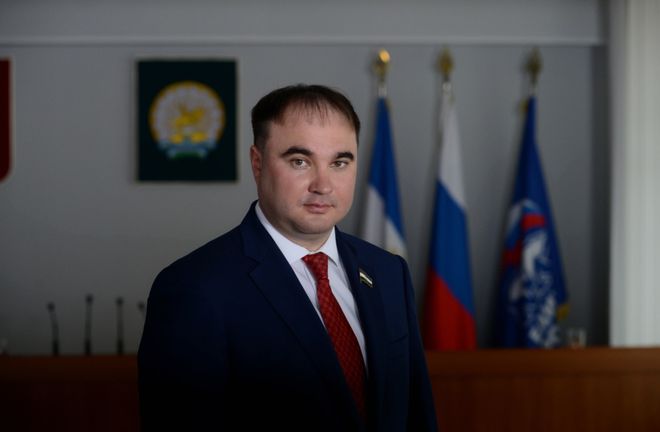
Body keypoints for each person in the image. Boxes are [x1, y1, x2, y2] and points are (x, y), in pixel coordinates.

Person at [138, 84, 438, 431]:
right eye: (300, 161)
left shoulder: (388, 272)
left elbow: (417, 414)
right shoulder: (193, 288)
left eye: (339, 162)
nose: (323, 185)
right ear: (257, 163)